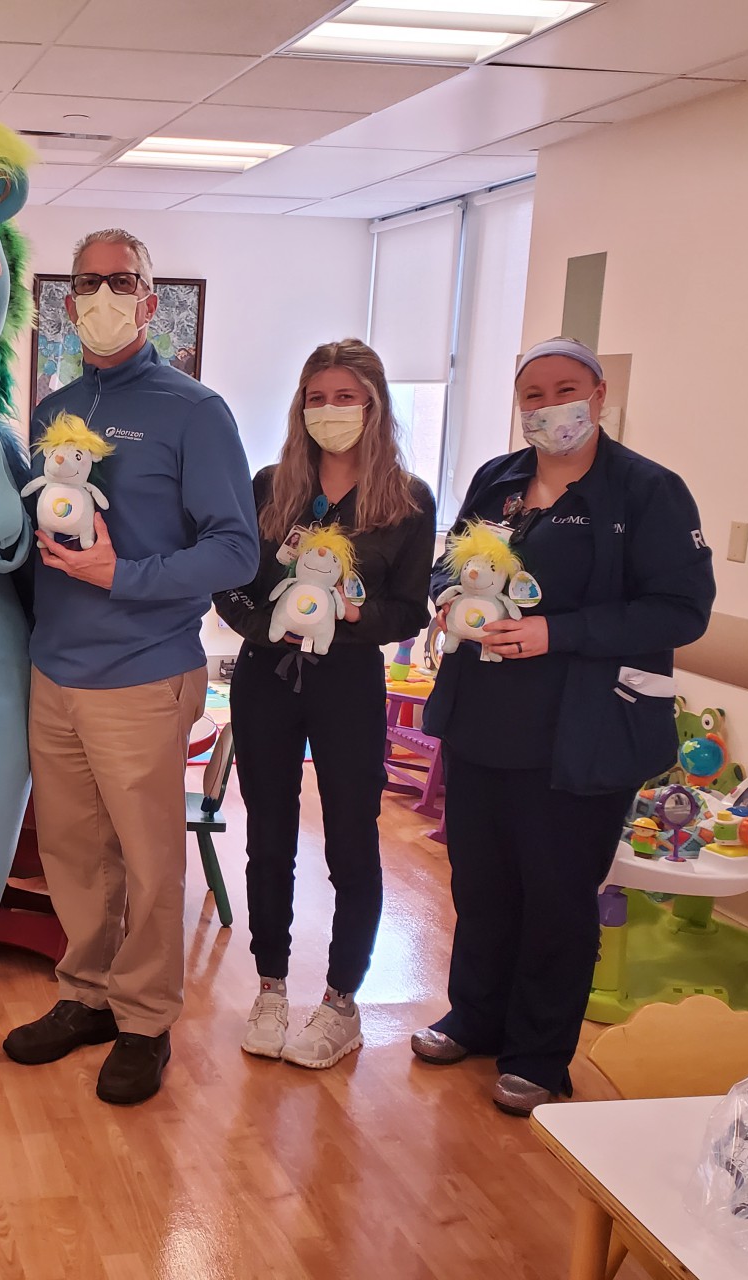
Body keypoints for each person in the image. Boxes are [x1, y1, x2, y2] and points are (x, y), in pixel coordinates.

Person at [411, 336, 714, 1115]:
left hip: (582, 732)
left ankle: (541, 1054)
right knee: (481, 884)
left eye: (565, 389)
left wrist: (558, 632)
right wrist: (448, 601)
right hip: (485, 720)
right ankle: (474, 1016)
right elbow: (455, 560)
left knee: (557, 894)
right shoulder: (499, 479)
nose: (549, 407)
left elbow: (682, 609)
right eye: (533, 395)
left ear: (601, 394)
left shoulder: (645, 492)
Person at [2, 228, 256, 1105]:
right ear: (66, 302)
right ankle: (86, 996)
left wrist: (127, 576)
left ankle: (145, 1019)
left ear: (153, 301)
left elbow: (237, 552)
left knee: (149, 862)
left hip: (144, 673)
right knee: (72, 854)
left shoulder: (196, 411)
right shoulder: (52, 412)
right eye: (87, 283)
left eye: (123, 281)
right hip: (54, 671)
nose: (103, 297)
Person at [213, 339, 435, 1070]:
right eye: (317, 397)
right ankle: (271, 986)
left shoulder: (405, 501)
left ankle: (342, 1003)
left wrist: (344, 618)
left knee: (351, 841)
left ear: (374, 406)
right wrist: (267, 625)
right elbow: (232, 583)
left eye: (346, 397)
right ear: (299, 406)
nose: (330, 411)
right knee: (267, 838)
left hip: (347, 685)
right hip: (265, 679)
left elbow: (408, 611)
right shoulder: (269, 487)